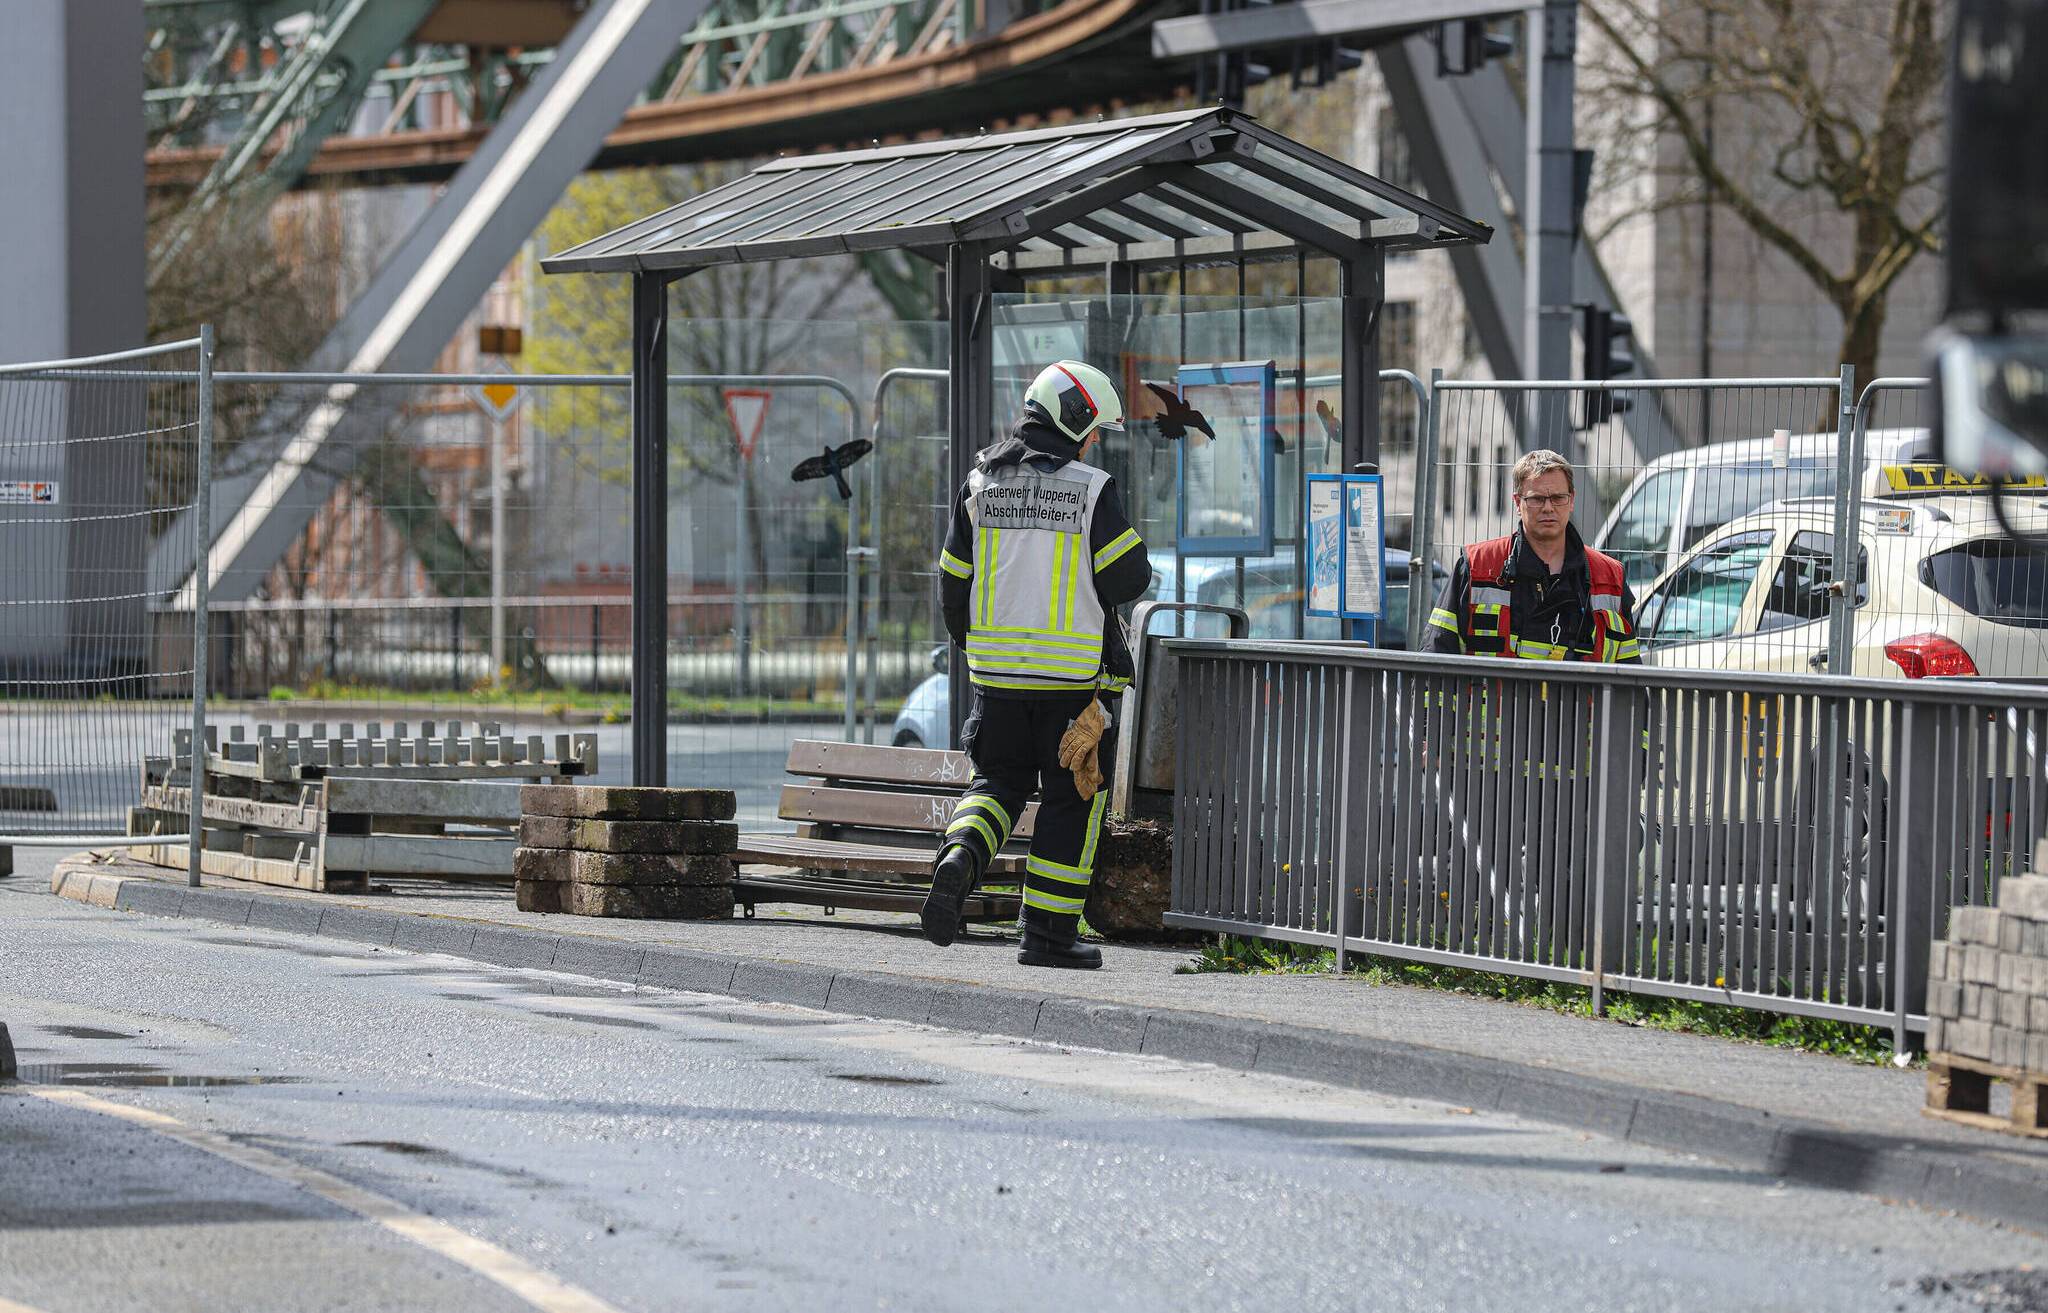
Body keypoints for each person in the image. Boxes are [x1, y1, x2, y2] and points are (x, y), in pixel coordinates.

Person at [921, 360, 1151, 969]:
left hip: (995, 682)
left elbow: (951, 584)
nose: (1094, 441)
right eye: (1093, 429)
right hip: (1069, 685)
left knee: (997, 783)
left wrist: (980, 648)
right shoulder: (1090, 489)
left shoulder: (979, 484)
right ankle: (1047, 937)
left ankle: (961, 854)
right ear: (1075, 419)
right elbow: (1129, 577)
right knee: (1072, 799)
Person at [1427, 449, 1641, 663]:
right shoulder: (1476, 567)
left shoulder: (1611, 578)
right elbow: (1435, 660)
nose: (1548, 508)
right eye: (1537, 499)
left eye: (1558, 498)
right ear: (1517, 502)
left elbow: (1629, 676)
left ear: (1571, 500)